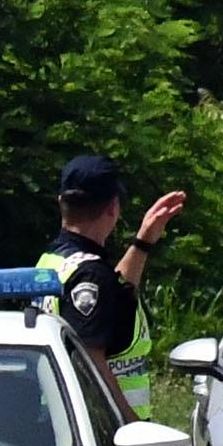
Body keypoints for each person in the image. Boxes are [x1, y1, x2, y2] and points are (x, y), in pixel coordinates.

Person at [40, 153, 188, 366]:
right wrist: (117, 401)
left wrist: (142, 242)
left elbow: (113, 297)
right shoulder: (91, 274)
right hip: (100, 399)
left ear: (61, 202)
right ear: (112, 208)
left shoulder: (53, 261)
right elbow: (90, 362)